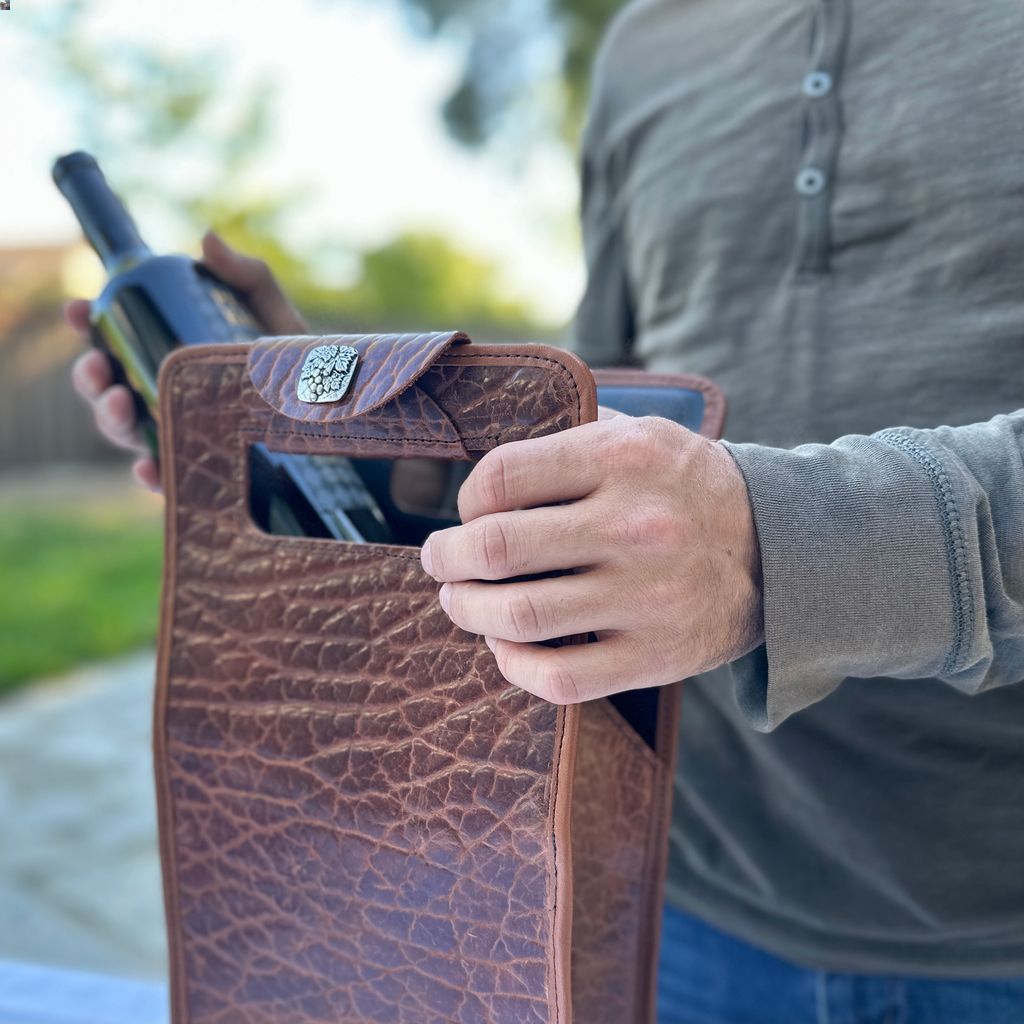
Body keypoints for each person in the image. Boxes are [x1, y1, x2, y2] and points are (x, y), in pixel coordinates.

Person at [70, 1, 1024, 1020]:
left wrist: (773, 542)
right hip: (670, 896)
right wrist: (338, 442)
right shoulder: (648, 43)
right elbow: (603, 423)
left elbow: (732, 518)